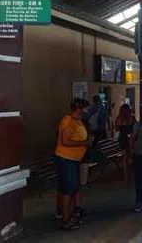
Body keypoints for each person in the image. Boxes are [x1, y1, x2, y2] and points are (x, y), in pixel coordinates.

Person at [54, 98, 92, 230]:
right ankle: (65, 220)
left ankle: (69, 216)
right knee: (68, 190)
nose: (86, 111)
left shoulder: (78, 121)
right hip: (66, 159)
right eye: (85, 108)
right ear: (78, 108)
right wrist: (84, 143)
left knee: (73, 189)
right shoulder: (68, 121)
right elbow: (65, 141)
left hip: (74, 160)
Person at [115, 104, 137, 181]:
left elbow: (117, 129)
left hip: (122, 139)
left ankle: (126, 176)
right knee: (131, 155)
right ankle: (130, 172)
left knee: (125, 157)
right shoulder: (132, 118)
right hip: (130, 139)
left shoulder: (119, 118)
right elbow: (135, 129)